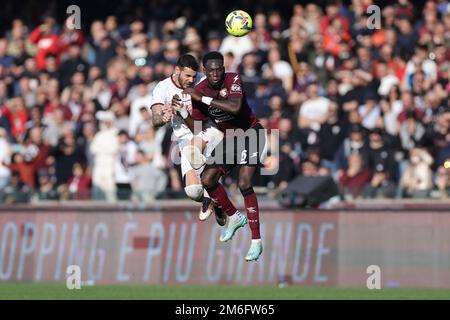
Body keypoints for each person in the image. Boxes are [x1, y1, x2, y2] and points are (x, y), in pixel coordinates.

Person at [175, 51, 267, 261]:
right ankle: (234, 217)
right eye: (211, 70)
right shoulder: (199, 90)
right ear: (205, 72)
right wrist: (183, 112)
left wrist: (204, 99)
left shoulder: (233, 79)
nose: (216, 74)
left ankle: (256, 242)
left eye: (219, 69)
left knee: (244, 183)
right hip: (231, 138)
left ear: (224, 69)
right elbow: (198, 128)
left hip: (252, 133)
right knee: (207, 179)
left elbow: (235, 108)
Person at [149, 53, 225, 224]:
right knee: (193, 191)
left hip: (207, 131)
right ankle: (217, 201)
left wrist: (183, 113)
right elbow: (155, 119)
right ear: (177, 70)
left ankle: (214, 198)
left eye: (193, 75)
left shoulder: (202, 82)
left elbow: (201, 122)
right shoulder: (163, 88)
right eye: (187, 75)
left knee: (196, 153)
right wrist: (163, 117)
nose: (191, 79)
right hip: (184, 138)